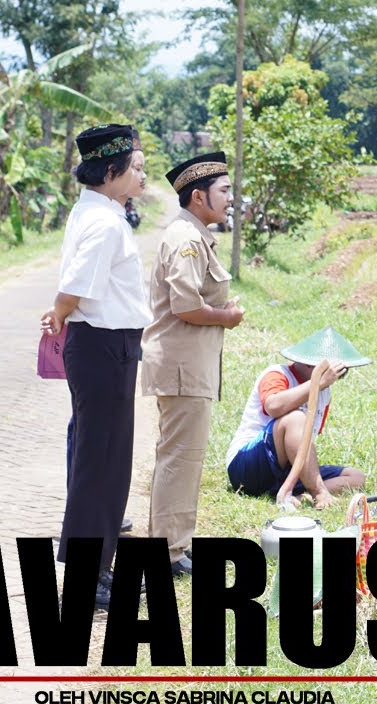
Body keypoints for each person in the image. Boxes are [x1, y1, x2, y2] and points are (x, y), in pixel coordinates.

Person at [40, 124, 151, 609]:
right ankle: (89, 578)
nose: (140, 175)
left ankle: (100, 567)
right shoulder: (105, 222)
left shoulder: (99, 212)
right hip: (104, 347)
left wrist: (64, 311)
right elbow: (78, 282)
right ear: (111, 172)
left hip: (107, 347)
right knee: (100, 464)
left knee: (103, 461)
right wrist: (61, 310)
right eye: (135, 168)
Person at [140, 152, 244, 577]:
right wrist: (227, 317)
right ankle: (167, 553)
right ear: (198, 196)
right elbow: (185, 304)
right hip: (183, 368)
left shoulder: (196, 235)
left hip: (188, 367)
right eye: (224, 191)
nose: (231, 198)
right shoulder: (186, 238)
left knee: (184, 459)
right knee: (180, 460)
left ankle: (175, 546)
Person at [225, 328, 370, 509]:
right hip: (247, 467)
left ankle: (301, 496)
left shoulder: (325, 393)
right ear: (313, 365)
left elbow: (308, 440)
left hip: (286, 471)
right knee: (295, 418)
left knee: (355, 478)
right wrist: (317, 383)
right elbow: (274, 406)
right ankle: (319, 494)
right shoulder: (277, 374)